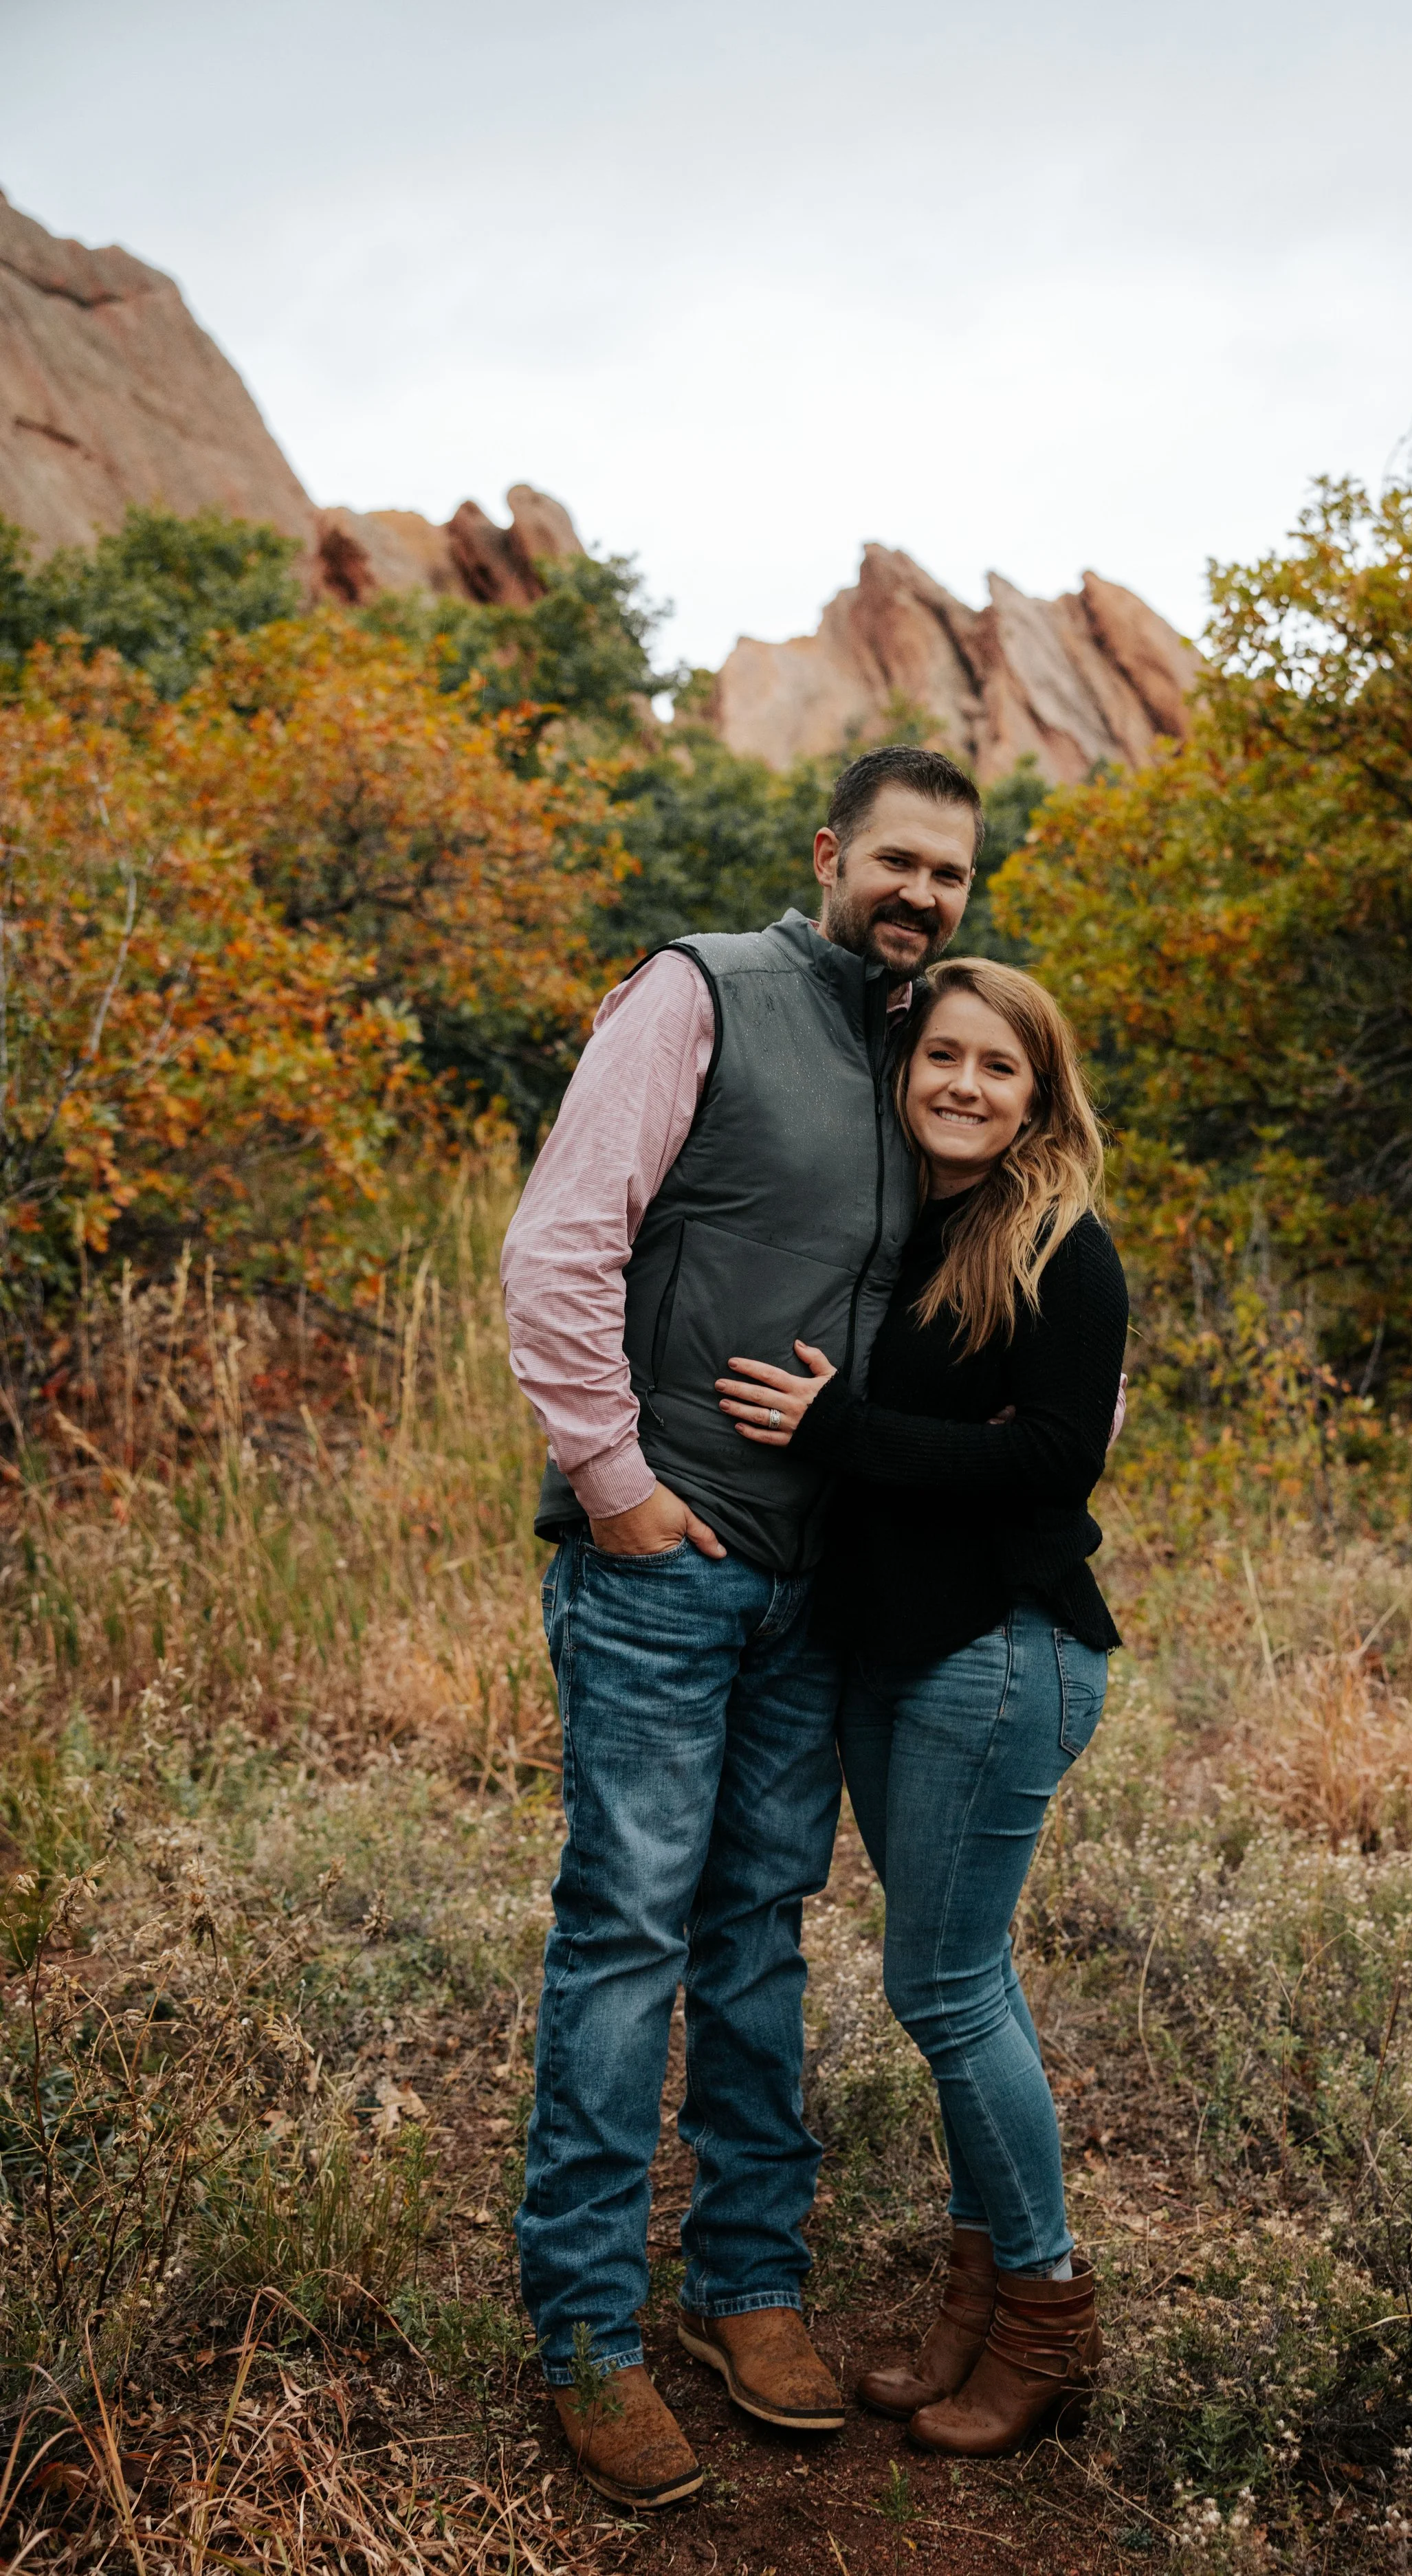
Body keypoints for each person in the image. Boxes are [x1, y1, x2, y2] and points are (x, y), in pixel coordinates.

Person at [498, 744, 982, 2510]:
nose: (921, 894)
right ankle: (584, 2335)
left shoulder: (921, 1049)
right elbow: (558, 1244)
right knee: (626, 1926)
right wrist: (614, 1482)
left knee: (760, 1930)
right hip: (664, 1556)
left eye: (951, 874)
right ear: (829, 849)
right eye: (899, 859)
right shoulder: (701, 989)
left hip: (809, 1581)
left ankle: (746, 2286)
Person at [716, 956, 1128, 2460]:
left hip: (1001, 1648)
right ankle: (972, 2306)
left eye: (995, 1066)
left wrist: (845, 1427)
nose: (961, 1082)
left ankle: (1045, 2316)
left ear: (1039, 1091)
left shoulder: (1058, 1244)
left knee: (944, 1989)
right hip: (899, 1654)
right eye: (938, 1056)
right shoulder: (917, 1225)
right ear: (906, 1075)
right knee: (966, 1983)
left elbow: (1050, 1463)